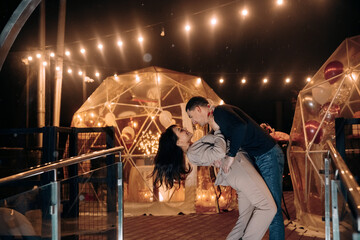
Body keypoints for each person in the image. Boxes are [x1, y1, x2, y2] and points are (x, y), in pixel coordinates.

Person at [152, 124, 276, 240]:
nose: (184, 129)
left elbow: (216, 153)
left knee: (244, 220)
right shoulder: (193, 151)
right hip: (238, 171)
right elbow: (220, 151)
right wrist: (217, 130)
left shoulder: (193, 149)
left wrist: (216, 152)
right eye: (180, 130)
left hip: (235, 173)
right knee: (268, 208)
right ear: (178, 142)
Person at [185, 96, 285, 240]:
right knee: (267, 207)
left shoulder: (219, 112)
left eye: (191, 116)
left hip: (268, 155)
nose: (193, 122)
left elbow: (240, 126)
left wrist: (230, 157)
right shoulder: (215, 120)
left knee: (272, 209)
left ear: (198, 109)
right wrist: (219, 159)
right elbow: (222, 143)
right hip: (260, 157)